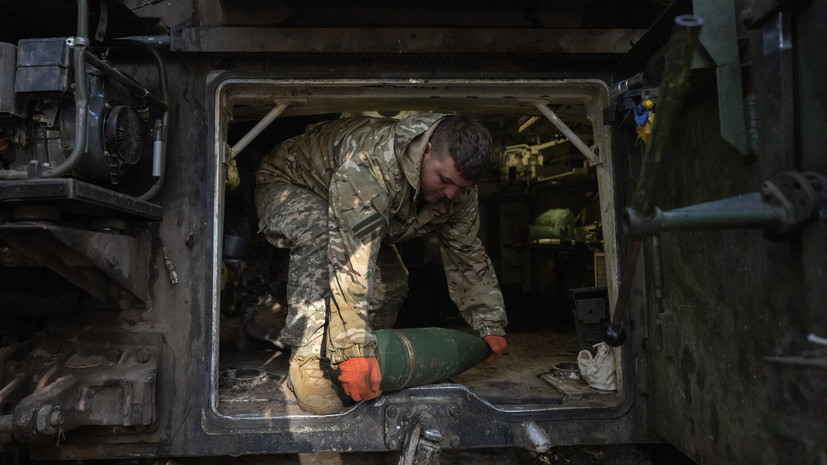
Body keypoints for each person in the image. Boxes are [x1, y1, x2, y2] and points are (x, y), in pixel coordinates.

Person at [254, 113, 508, 414]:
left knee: (393, 281)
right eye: (445, 180)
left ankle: (355, 362)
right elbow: (350, 263)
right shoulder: (372, 165)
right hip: (291, 184)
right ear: (427, 150)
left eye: (462, 187)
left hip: (346, 207)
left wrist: (488, 321)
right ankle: (308, 362)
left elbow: (466, 251)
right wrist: (353, 349)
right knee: (322, 237)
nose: (452, 194)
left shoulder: (459, 188)